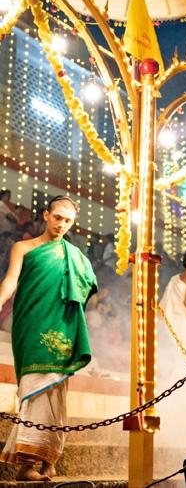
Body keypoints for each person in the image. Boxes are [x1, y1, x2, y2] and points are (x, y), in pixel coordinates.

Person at [0, 196, 97, 482]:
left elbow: (86, 291)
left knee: (56, 392)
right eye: (57, 217)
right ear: (46, 215)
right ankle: (26, 464)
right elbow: (11, 280)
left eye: (68, 221)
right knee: (34, 385)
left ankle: (48, 460)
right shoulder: (23, 248)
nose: (62, 224)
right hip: (31, 324)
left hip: (61, 326)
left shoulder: (74, 255)